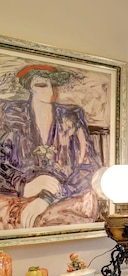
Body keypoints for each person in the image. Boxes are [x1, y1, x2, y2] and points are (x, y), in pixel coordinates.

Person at [0, 64, 103, 229]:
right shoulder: (10, 114)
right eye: (41, 85)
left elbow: (89, 166)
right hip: (17, 194)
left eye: (54, 84)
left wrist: (48, 197)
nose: (50, 90)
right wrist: (24, 185)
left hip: (66, 194)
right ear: (30, 87)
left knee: (77, 207)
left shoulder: (72, 116)